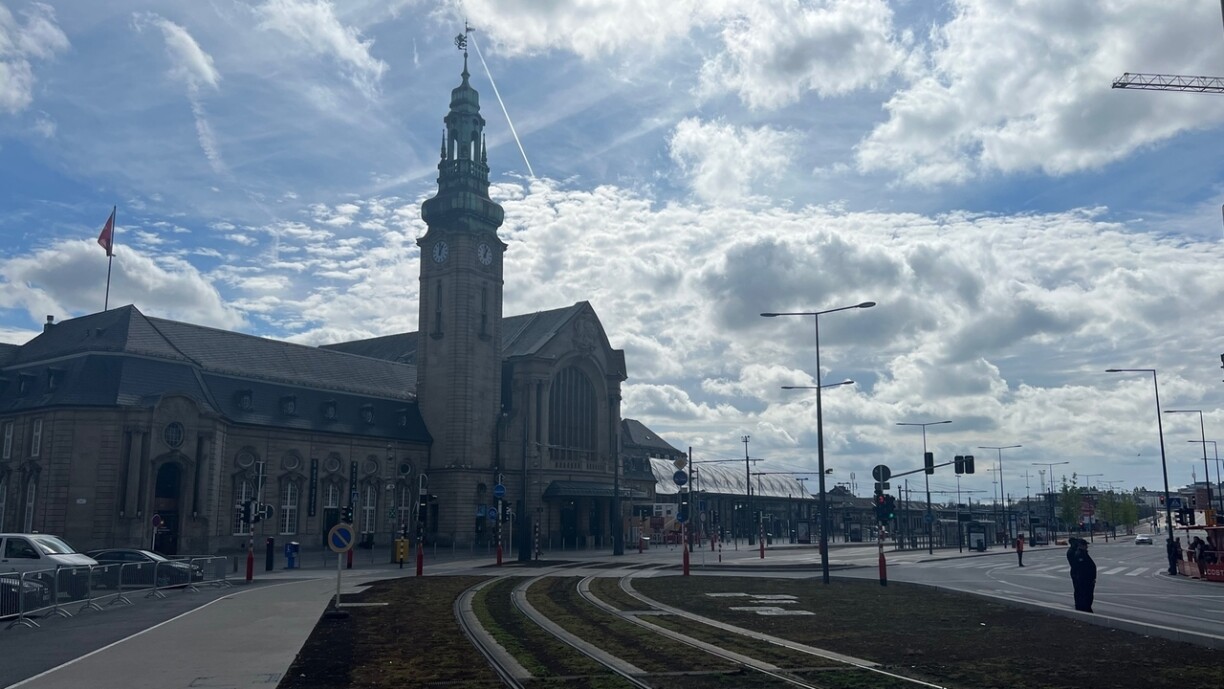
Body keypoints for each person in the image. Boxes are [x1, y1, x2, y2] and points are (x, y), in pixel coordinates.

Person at [1068, 538, 1097, 612]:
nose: (1086, 546)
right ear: (1081, 545)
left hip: (1086, 579)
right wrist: (1088, 578)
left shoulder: (1083, 553)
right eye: (1085, 545)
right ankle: (1084, 608)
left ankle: (1085, 607)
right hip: (1084, 579)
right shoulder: (1080, 554)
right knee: (1084, 594)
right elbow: (1082, 568)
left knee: (1086, 594)